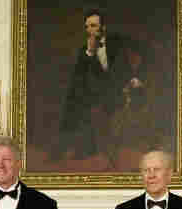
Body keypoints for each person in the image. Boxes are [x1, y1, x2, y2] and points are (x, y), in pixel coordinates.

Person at [56, 8, 147, 162]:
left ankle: (110, 150)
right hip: (99, 94)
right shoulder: (84, 50)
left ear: (103, 28)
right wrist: (90, 53)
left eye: (93, 26)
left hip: (123, 89)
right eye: (87, 26)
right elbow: (79, 77)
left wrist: (138, 77)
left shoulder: (118, 41)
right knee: (76, 97)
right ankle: (79, 147)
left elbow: (144, 52)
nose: (88, 30)